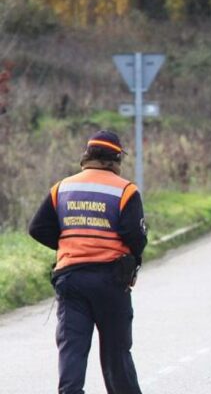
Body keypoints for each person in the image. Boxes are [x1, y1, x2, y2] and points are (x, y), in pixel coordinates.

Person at [28, 130, 147, 394]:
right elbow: (135, 237)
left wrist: (71, 245)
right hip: (111, 281)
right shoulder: (125, 190)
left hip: (71, 280)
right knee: (117, 352)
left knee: (72, 348)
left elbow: (37, 228)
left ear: (87, 156)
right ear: (116, 159)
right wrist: (132, 259)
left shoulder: (63, 187)